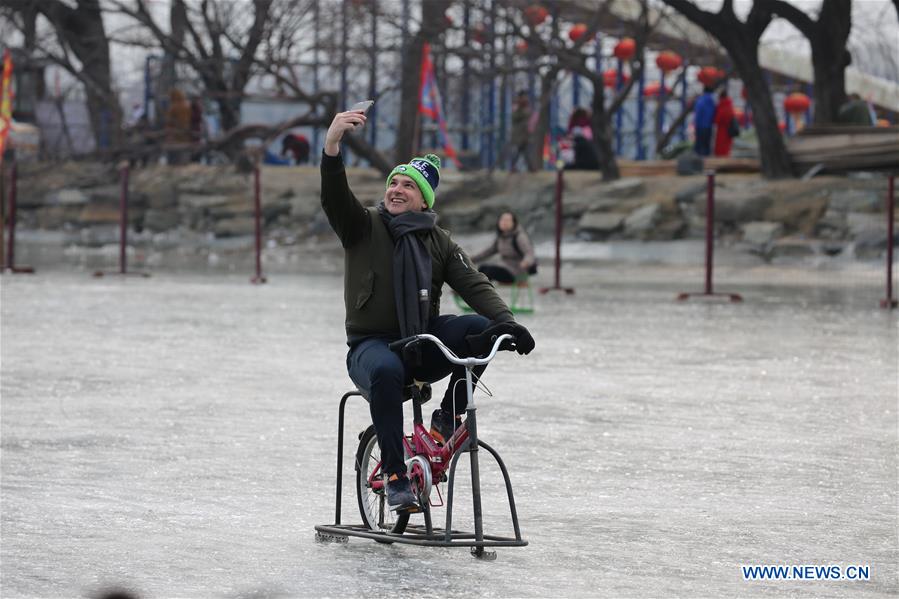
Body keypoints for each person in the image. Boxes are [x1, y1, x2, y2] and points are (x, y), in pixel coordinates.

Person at [320, 109, 535, 513]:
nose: (396, 190)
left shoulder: (439, 241)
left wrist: (507, 323)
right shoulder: (363, 225)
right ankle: (395, 475)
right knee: (386, 370)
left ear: (423, 200)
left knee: (483, 329)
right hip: (370, 346)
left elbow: (474, 283)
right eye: (393, 183)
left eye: (408, 185)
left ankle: (446, 419)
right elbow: (334, 198)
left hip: (418, 343)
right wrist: (332, 146)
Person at [470, 211, 537, 283]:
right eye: (502, 220)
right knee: (482, 268)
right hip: (504, 267)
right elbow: (488, 252)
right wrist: (471, 259)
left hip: (517, 272)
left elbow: (529, 253)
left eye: (507, 220)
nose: (504, 222)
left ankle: (478, 288)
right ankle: (475, 287)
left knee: (490, 272)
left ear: (514, 223)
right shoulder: (501, 236)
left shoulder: (519, 236)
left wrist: (526, 262)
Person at [500, 91, 536, 173]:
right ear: (520, 97)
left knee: (523, 150)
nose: (525, 98)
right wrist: (524, 113)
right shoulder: (517, 106)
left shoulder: (526, 106)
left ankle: (527, 167)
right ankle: (528, 167)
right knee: (521, 150)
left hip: (525, 133)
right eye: (524, 96)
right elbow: (515, 117)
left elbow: (529, 116)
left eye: (526, 96)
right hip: (518, 133)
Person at [164, 89, 191, 165]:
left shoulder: (173, 107)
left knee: (175, 150)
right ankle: (184, 162)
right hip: (186, 131)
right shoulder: (187, 105)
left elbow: (169, 121)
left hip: (175, 132)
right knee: (184, 148)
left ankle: (175, 163)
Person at [693, 86, 716, 157]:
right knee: (706, 146)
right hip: (708, 126)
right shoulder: (712, 101)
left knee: (699, 147)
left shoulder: (701, 100)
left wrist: (695, 124)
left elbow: (698, 114)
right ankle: (707, 160)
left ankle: (698, 161)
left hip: (700, 126)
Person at [713, 89, 736, 157]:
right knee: (726, 149)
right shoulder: (729, 105)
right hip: (729, 131)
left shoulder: (722, 106)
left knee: (720, 150)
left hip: (722, 131)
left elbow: (717, 120)